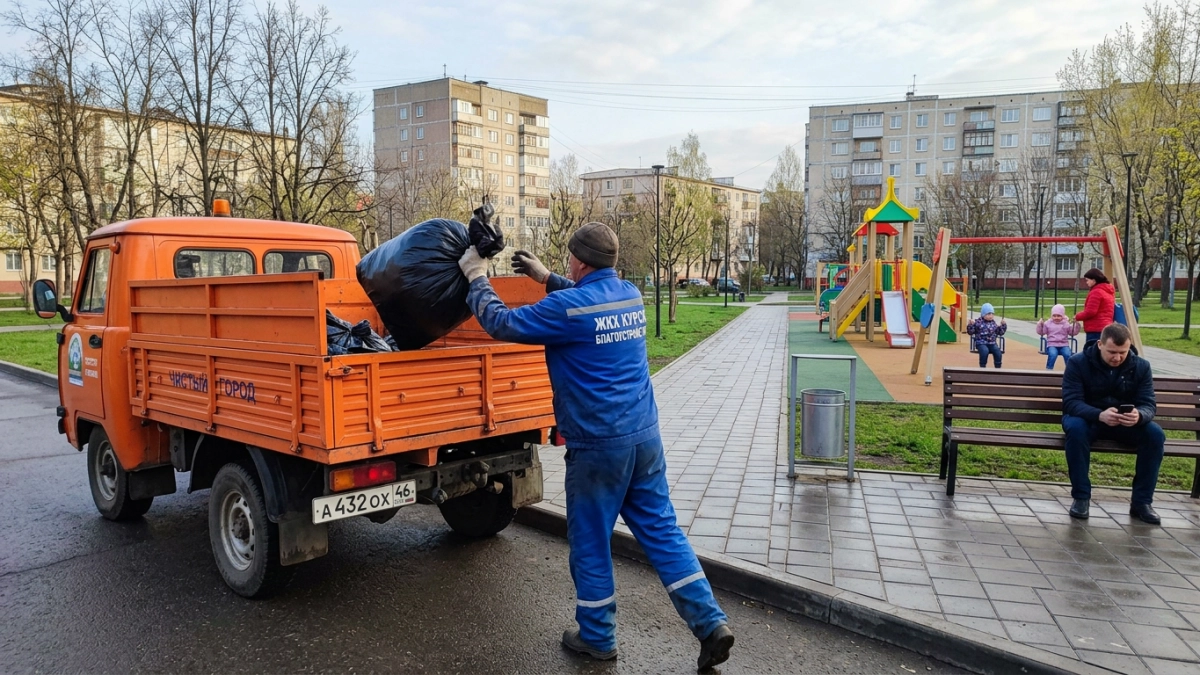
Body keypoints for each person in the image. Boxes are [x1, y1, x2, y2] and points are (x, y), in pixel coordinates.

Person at [456, 222, 735, 672]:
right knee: (663, 532)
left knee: (590, 541)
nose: (568, 266)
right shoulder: (630, 295)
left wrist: (475, 276)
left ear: (581, 261)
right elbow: (590, 303)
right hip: (644, 437)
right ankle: (710, 623)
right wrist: (547, 278)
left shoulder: (568, 309)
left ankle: (597, 636)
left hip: (597, 447)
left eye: (569, 260)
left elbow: (501, 322)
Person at [1061, 323, 1165, 524]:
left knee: (1155, 435)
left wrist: (1139, 415)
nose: (1117, 357)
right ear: (1100, 344)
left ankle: (1142, 503)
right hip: (1088, 420)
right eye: (1112, 352)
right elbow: (1071, 402)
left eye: (1122, 352)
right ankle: (1081, 497)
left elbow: (1148, 403)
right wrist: (1099, 414)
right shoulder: (1077, 363)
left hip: (1124, 424)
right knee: (1075, 429)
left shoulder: (1141, 367)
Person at [1075, 268, 1115, 347]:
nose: (1086, 282)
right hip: (1106, 326)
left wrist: (1077, 316)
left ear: (1094, 280)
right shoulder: (1108, 291)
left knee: (1091, 352)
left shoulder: (1096, 292)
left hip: (1095, 327)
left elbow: (1091, 311)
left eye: (1087, 280)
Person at [1037, 304, 1080, 370]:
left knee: (1068, 354)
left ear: (1062, 316)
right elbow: (1042, 332)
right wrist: (1040, 324)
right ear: (1051, 316)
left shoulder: (1066, 323)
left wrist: (1076, 324)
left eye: (1059, 316)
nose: (1056, 317)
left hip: (1064, 344)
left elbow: (1072, 333)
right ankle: (1049, 369)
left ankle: (1070, 370)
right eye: (1054, 316)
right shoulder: (1048, 323)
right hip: (1052, 344)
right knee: (1053, 354)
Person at [966, 303, 1007, 369]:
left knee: (998, 352)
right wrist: (970, 325)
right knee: (985, 351)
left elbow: (1000, 332)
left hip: (992, 343)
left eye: (992, 314)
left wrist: (1003, 325)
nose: (991, 316)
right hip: (981, 343)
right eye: (988, 314)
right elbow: (970, 332)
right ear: (983, 315)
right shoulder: (978, 322)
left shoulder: (994, 323)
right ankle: (982, 366)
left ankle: (998, 367)